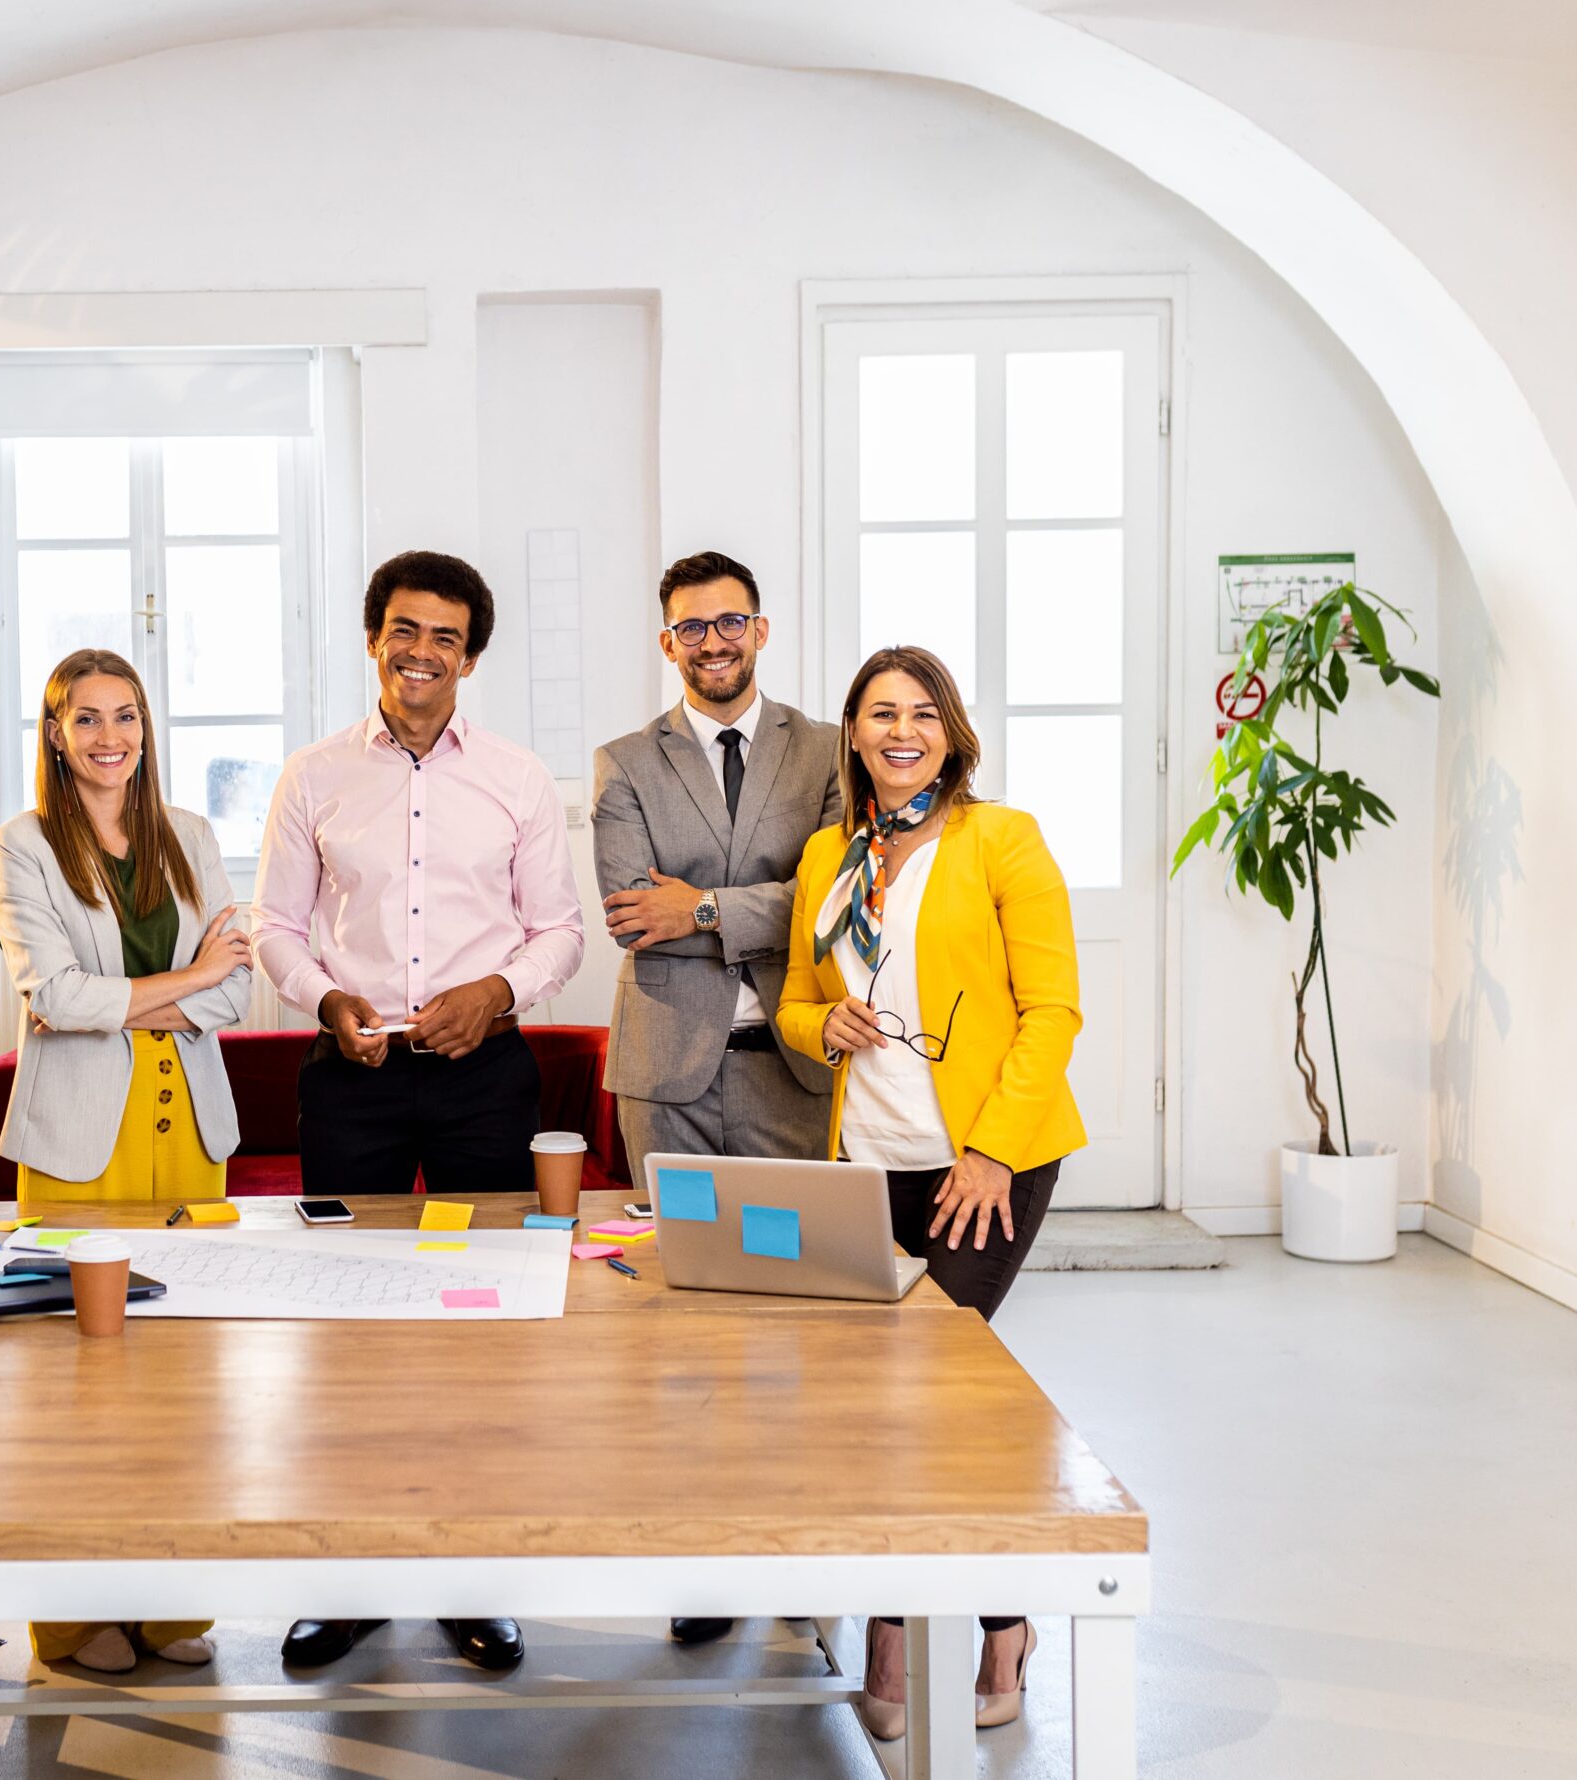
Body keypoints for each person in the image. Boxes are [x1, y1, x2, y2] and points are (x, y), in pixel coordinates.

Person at [252, 548, 585, 1677]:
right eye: (404, 630)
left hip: (484, 1074)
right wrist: (324, 997)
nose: (421, 652)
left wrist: (497, 994)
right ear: (372, 639)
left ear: (471, 656)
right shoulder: (312, 777)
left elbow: (559, 932)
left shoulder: (517, 777)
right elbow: (277, 930)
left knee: (482, 1324)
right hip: (350, 1074)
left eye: (445, 636)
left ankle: (474, 1578)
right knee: (343, 1329)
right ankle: (343, 1584)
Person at [775, 643, 1084, 1741]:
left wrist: (992, 1150)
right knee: (897, 1405)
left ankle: (896, 1639)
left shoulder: (1002, 839)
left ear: (950, 733)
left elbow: (1052, 1009)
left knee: (929, 1392)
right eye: (877, 713)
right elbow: (795, 1003)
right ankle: (1002, 1622)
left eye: (921, 713)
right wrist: (826, 1024)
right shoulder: (828, 855)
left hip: (983, 1163)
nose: (899, 731)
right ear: (853, 736)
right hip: (864, 1160)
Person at [591, 549, 841, 1649]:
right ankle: (700, 1556)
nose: (712, 641)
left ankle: (788, 1536)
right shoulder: (621, 762)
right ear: (667, 643)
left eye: (729, 621)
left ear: (761, 628)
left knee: (789, 1311)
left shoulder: (828, 751)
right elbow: (628, 908)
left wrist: (701, 905)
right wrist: (747, 907)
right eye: (690, 628)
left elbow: (835, 898)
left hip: (791, 1072)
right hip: (670, 1079)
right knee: (682, 1317)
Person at [0, 648, 252, 1676]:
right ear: (55, 733)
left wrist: (143, 993)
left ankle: (171, 1611)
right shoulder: (22, 844)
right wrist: (185, 976)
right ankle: (70, 1618)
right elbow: (50, 996)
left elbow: (237, 996)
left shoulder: (188, 834)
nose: (110, 738)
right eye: (87, 719)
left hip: (187, 1127)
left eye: (127, 716)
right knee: (76, 1387)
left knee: (185, 1377)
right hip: (76, 1143)